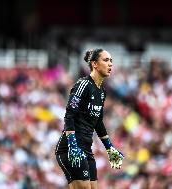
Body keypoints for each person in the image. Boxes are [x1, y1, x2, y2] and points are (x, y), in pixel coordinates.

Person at [55, 48, 124, 189]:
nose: (110, 64)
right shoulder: (83, 84)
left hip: (86, 148)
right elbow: (69, 114)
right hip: (71, 147)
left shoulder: (102, 92)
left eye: (111, 61)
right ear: (95, 64)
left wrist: (109, 148)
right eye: (106, 60)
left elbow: (98, 122)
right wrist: (72, 145)